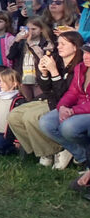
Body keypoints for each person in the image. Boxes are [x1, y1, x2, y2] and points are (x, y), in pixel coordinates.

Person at [8, 30, 84, 168]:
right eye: (58, 43)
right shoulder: (56, 59)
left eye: (63, 44)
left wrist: (54, 72)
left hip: (63, 102)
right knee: (14, 116)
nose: (58, 46)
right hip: (48, 97)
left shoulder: (79, 66)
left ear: (75, 46)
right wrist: (43, 73)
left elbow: (65, 94)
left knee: (30, 117)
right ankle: (43, 150)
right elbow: (46, 87)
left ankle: (59, 148)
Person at [39, 43, 90, 189]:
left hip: (84, 110)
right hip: (75, 107)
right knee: (46, 122)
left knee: (68, 127)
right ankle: (82, 157)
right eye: (85, 53)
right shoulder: (81, 68)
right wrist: (62, 107)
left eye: (89, 54)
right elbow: (72, 92)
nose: (86, 56)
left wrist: (73, 111)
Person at [8, 17, 54, 101]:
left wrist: (30, 43)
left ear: (41, 30)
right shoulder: (21, 43)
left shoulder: (46, 43)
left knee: (38, 102)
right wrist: (17, 40)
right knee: (26, 101)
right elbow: (10, 56)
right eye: (28, 29)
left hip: (38, 78)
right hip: (24, 78)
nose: (31, 32)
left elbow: (42, 58)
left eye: (34, 29)